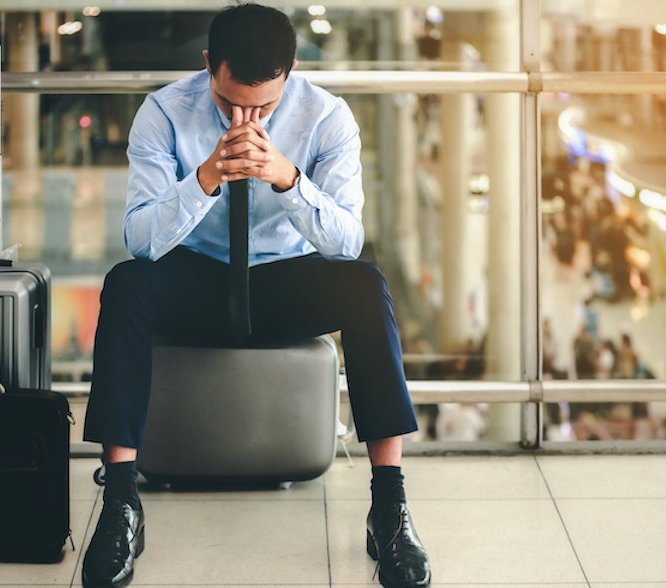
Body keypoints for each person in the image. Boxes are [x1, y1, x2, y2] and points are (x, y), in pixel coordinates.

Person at [80, 5, 430, 588]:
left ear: (290, 72)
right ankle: (121, 504)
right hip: (198, 276)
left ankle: (388, 507)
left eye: (264, 105)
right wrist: (205, 179)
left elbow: (347, 240)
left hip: (283, 279)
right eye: (229, 102)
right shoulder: (164, 113)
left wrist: (290, 180)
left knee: (367, 284)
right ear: (207, 66)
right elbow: (140, 240)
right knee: (125, 284)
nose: (246, 117)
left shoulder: (328, 118)